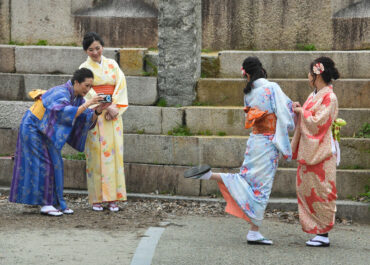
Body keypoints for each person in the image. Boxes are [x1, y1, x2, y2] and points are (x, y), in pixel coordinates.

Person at [184, 57, 295, 245]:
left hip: (255, 141)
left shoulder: (249, 92)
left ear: (247, 73)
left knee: (246, 178)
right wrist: (295, 111)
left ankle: (210, 175)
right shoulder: (272, 88)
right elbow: (286, 113)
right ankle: (254, 231)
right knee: (262, 187)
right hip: (268, 143)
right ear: (261, 69)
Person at [9, 68, 108, 216]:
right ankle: (45, 204)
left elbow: (85, 119)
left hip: (45, 129)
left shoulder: (77, 98)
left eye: (90, 87)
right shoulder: (60, 92)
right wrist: (88, 104)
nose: (88, 90)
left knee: (56, 162)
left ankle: (57, 203)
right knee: (44, 163)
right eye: (86, 86)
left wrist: (98, 111)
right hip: (32, 127)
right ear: (76, 82)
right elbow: (63, 113)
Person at [291, 57, 340, 247]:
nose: (308, 76)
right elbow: (309, 119)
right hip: (311, 149)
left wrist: (302, 112)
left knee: (322, 191)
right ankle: (316, 231)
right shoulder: (314, 95)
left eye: (310, 73)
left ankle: (323, 232)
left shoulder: (330, 97)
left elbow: (319, 122)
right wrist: (300, 110)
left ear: (317, 75)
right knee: (306, 190)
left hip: (322, 151)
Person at [80, 32, 129, 212]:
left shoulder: (112, 64)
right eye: (91, 49)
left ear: (102, 47)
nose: (95, 52)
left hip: (113, 117)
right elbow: (88, 91)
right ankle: (96, 199)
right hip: (96, 116)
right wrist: (107, 106)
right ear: (86, 51)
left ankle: (113, 198)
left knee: (114, 156)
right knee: (95, 157)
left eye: (98, 48)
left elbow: (121, 85)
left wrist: (115, 107)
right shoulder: (84, 68)